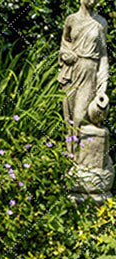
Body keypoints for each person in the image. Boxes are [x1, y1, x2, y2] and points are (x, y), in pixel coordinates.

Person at [58, 0, 109, 153]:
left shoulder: (100, 23)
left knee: (80, 118)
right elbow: (64, 44)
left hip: (89, 72)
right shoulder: (71, 20)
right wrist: (65, 54)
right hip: (71, 72)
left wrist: (103, 83)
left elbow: (103, 55)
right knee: (69, 118)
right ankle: (72, 159)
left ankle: (83, 158)